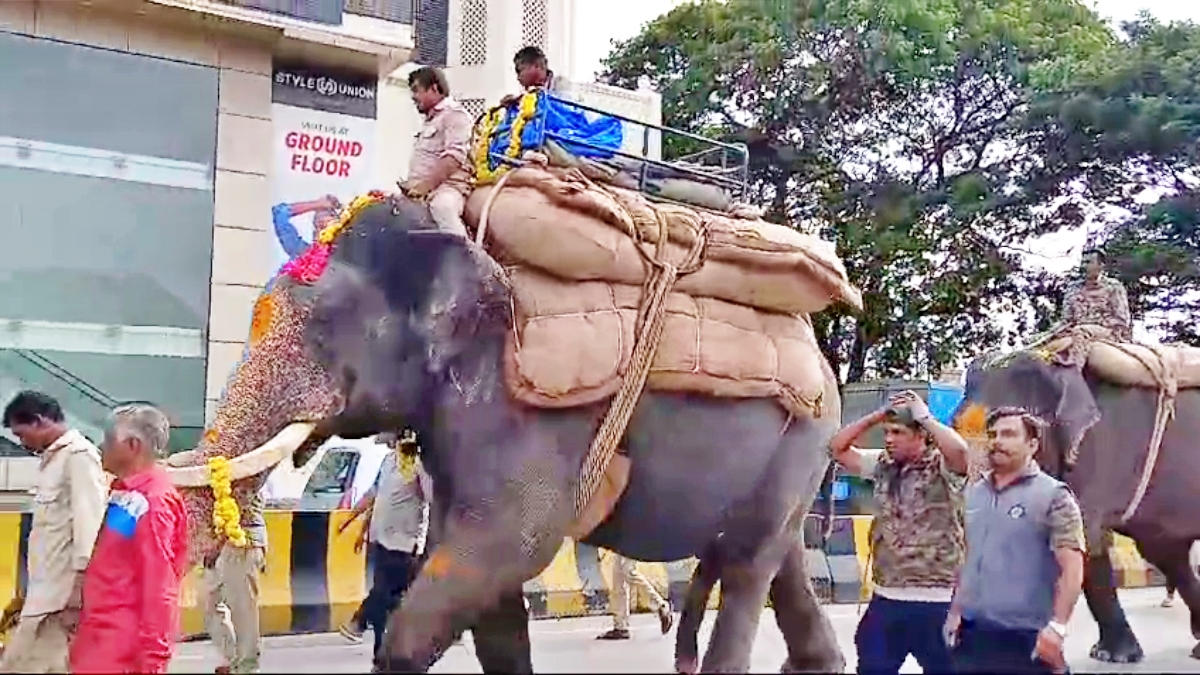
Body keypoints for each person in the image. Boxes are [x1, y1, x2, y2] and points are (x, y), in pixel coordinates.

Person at [829, 390, 970, 675]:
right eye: (887, 433)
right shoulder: (883, 466)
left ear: (921, 435)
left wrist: (925, 416)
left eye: (898, 432)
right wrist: (878, 415)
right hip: (887, 599)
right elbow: (838, 449)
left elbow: (961, 453)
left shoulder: (942, 468)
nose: (889, 439)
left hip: (937, 601)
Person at [945, 407, 1086, 674]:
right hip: (972, 634)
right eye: (993, 434)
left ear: (1032, 445)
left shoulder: (1054, 496)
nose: (997, 440)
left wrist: (1057, 627)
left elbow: (1072, 568)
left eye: (1009, 434)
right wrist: (955, 611)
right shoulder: (974, 494)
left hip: (1027, 638)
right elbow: (965, 557)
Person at [69, 404, 189, 674]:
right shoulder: (126, 495)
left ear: (133, 445)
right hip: (98, 639)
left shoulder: (153, 503)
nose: (102, 447)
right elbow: (114, 558)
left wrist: (154, 659)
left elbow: (160, 587)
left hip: (120, 650)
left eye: (109, 440)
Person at [0, 391, 108, 673]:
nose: (23, 444)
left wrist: (79, 592)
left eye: (22, 435)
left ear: (39, 421)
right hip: (43, 595)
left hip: (59, 600)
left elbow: (90, 526)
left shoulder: (79, 457)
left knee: (21, 666)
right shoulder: (52, 460)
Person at [164, 459, 267, 672]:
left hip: (242, 539)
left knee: (242, 607)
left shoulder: (248, 465)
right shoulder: (213, 462)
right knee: (210, 606)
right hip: (218, 541)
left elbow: (238, 504)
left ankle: (247, 665)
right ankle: (234, 658)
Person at [335, 431, 431, 657]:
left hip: (403, 542)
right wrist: (351, 520)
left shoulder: (418, 463)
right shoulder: (388, 460)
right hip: (380, 538)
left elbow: (430, 496)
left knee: (388, 593)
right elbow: (376, 494)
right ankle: (382, 650)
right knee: (390, 598)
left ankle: (360, 621)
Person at [400, 66, 472, 237]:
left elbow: (453, 158)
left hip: (447, 190)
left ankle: (466, 259)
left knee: (442, 208)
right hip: (419, 193)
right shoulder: (430, 121)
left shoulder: (455, 115)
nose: (413, 97)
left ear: (433, 88)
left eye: (416, 90)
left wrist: (424, 187)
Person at [595, 553, 674, 640]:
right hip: (622, 540)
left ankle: (661, 605)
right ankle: (621, 626)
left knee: (627, 572)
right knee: (619, 577)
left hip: (630, 540)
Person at [1062, 249, 1132, 342]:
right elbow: (1067, 318)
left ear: (1100, 265)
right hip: (1075, 330)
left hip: (1108, 332)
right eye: (1082, 263)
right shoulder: (1073, 288)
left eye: (1088, 262)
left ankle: (1077, 356)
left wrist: (1096, 324)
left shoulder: (1113, 286)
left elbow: (1121, 319)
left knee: (1080, 332)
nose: (1083, 266)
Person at [272, 195, 342, 259]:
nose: (324, 232)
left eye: (329, 225)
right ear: (314, 233)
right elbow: (280, 213)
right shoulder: (302, 254)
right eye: (320, 226)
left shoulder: (348, 256)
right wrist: (318, 204)